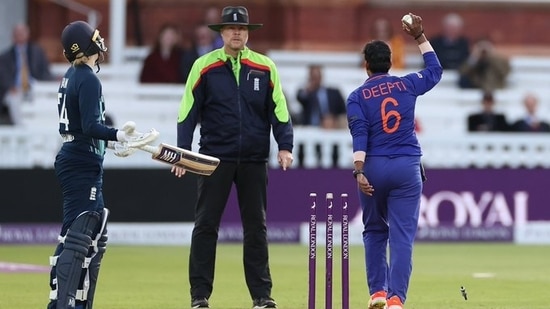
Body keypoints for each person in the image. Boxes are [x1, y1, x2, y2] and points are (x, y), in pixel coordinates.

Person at [171, 6, 294, 309]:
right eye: (231, 28)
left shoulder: (265, 67)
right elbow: (187, 112)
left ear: (248, 32)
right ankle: (199, 296)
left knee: (256, 228)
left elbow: (279, 109)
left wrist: (285, 145)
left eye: (241, 29)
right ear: (221, 33)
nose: (237, 33)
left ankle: (262, 297)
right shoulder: (204, 66)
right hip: (214, 159)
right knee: (205, 226)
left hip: (253, 159)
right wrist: (182, 153)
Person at [47, 20, 158, 309]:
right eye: (95, 39)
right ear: (85, 46)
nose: (100, 42)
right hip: (80, 161)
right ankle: (63, 303)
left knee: (94, 233)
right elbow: (91, 125)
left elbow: (82, 127)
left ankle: (78, 302)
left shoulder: (73, 75)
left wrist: (112, 143)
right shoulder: (86, 77)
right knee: (79, 234)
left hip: (81, 156)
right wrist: (118, 134)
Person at [346, 13, 442, 309]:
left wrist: (359, 171)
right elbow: (435, 71)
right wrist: (420, 36)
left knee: (375, 230)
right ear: (390, 62)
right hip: (406, 167)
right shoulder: (406, 85)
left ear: (366, 65)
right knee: (402, 237)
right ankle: (396, 299)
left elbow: (360, 134)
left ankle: (377, 292)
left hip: (373, 168)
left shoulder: (357, 96)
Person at [0, 23, 53, 125]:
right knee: (14, 99)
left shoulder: (38, 52)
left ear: (27, 35)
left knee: (43, 99)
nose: (19, 36)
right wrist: (11, 86)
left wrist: (41, 84)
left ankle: (39, 128)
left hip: (34, 87)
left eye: (22, 33)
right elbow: (3, 76)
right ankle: (21, 129)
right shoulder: (5, 57)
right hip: (15, 89)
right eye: (17, 33)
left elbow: (45, 72)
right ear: (13, 36)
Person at [296, 64, 347, 129]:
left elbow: (343, 111)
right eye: (313, 77)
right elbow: (300, 97)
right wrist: (308, 89)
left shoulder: (334, 93)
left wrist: (333, 119)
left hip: (331, 128)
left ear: (321, 76)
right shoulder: (306, 93)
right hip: (310, 128)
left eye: (317, 76)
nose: (315, 79)